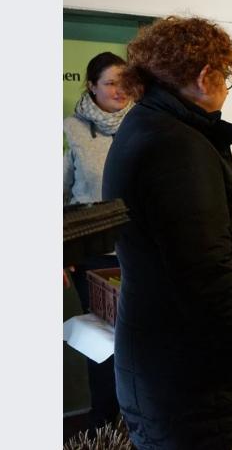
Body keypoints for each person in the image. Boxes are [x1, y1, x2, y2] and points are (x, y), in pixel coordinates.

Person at [102, 16, 232, 449]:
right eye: (226, 76)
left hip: (172, 368)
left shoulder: (145, 126)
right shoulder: (176, 144)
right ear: (207, 76)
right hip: (202, 383)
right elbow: (207, 277)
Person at [63, 51, 132, 430]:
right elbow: (56, 195)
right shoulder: (70, 129)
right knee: (103, 343)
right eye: (110, 83)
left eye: (124, 83)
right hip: (90, 255)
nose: (119, 91)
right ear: (91, 86)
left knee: (139, 340)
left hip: (136, 251)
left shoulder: (142, 123)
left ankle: (138, 420)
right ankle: (104, 422)